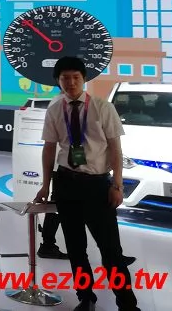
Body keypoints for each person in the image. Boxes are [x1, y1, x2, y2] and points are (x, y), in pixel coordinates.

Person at [34, 56, 140, 311]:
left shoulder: (103, 107)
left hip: (97, 186)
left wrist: (117, 185)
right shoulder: (54, 109)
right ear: (57, 81)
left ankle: (127, 304)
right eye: (65, 78)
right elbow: (49, 149)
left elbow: (115, 149)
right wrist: (45, 185)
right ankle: (86, 298)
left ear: (84, 79)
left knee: (111, 249)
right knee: (76, 248)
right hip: (66, 184)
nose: (70, 82)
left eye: (75, 77)